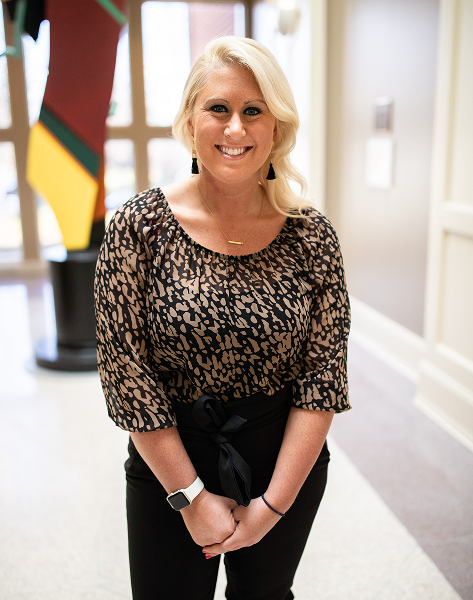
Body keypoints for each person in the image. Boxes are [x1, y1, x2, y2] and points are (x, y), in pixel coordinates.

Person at [95, 36, 351, 600]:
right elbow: (126, 374)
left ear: (276, 127)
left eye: (253, 110)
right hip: (169, 462)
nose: (236, 128)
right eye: (219, 108)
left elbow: (323, 380)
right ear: (191, 122)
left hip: (283, 462)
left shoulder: (312, 237)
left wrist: (272, 507)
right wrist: (190, 496)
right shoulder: (139, 227)